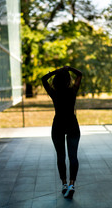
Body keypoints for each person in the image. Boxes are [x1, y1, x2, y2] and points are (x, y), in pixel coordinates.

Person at [42, 66, 82, 199]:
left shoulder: (54, 93)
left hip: (58, 125)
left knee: (60, 157)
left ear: (56, 81)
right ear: (67, 79)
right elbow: (80, 74)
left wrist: (55, 71)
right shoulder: (73, 91)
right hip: (72, 124)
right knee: (73, 157)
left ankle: (64, 184)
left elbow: (43, 79)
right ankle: (72, 184)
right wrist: (68, 68)